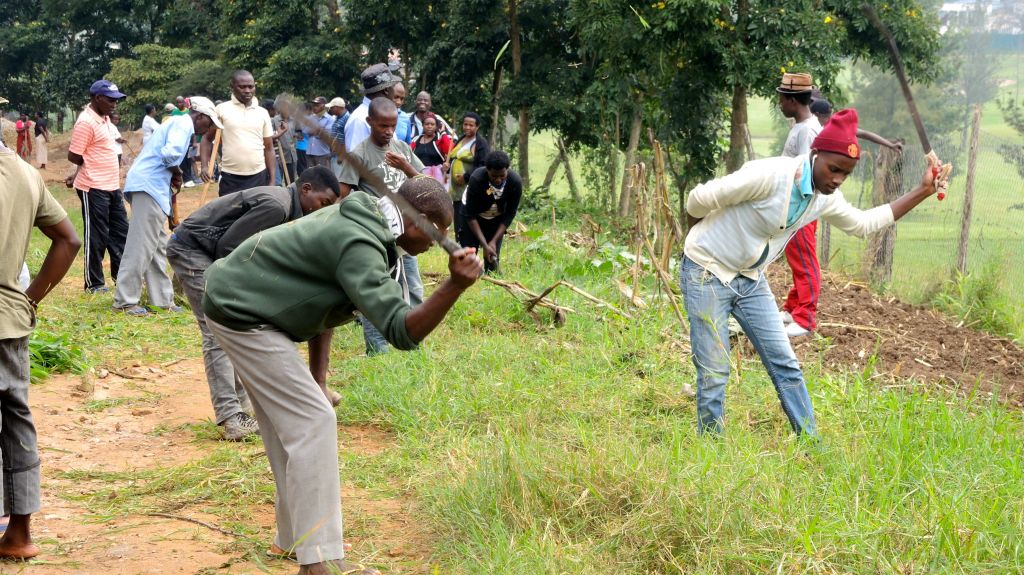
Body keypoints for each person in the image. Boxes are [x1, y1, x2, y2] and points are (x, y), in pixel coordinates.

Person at [202, 176, 482, 575]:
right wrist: (453, 286)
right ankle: (320, 563)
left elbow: (327, 300)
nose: (439, 245)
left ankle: (295, 541)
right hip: (242, 312)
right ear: (416, 221)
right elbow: (403, 332)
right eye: (439, 235)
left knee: (292, 426)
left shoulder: (370, 222)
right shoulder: (360, 244)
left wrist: (318, 377)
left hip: (243, 301)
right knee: (314, 421)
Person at [681, 108, 946, 438]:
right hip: (706, 272)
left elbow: (863, 224)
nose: (837, 179)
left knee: (785, 362)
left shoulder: (823, 198)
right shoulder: (770, 175)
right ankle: (710, 449)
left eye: (845, 174)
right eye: (833, 169)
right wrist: (699, 242)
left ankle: (810, 444)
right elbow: (698, 199)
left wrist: (923, 190)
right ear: (815, 154)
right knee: (715, 369)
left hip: (749, 280)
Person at [168, 166, 341, 440]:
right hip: (194, 251)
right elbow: (228, 249)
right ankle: (231, 417)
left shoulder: (290, 210)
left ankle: (243, 407)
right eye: (324, 203)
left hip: (210, 254)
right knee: (217, 328)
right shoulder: (276, 206)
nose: (322, 211)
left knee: (234, 326)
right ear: (306, 189)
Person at [0, 135, 81, 561]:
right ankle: (19, 534)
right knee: (16, 420)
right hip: (10, 322)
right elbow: (69, 239)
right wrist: (28, 299)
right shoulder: (26, 174)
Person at [112, 97, 222, 316]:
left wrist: (174, 175)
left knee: (157, 245)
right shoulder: (183, 124)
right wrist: (178, 173)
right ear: (199, 117)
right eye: (208, 124)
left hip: (150, 186)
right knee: (141, 245)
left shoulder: (177, 124)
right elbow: (170, 154)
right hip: (149, 186)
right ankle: (125, 301)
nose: (208, 130)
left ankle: (162, 299)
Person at [338, 97, 426, 356]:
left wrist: (405, 166)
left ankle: (414, 344)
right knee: (376, 292)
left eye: (392, 125)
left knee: (412, 288)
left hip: (406, 234)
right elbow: (345, 195)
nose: (388, 131)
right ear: (370, 123)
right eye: (382, 126)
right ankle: (378, 352)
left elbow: (423, 183)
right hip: (376, 235)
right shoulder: (360, 155)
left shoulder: (401, 148)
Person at [66, 79, 130, 293]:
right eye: (111, 100)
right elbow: (74, 154)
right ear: (97, 98)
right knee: (97, 235)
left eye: (116, 100)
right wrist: (81, 172)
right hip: (93, 187)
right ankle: (94, 283)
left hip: (112, 186)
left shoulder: (105, 120)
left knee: (121, 233)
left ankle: (121, 278)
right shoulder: (86, 122)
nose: (114, 104)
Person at [776, 73, 823, 338]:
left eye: (782, 98)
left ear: (793, 100)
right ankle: (793, 307)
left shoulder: (807, 130)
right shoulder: (802, 126)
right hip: (793, 206)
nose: (780, 103)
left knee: (805, 261)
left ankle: (805, 317)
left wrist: (801, 210)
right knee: (797, 258)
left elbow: (806, 173)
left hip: (801, 207)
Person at [202, 70, 275, 196]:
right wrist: (204, 166)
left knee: (256, 215)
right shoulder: (221, 110)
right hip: (230, 177)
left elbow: (269, 148)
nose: (247, 90)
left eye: (251, 86)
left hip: (258, 175)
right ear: (232, 87)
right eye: (242, 87)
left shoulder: (262, 112)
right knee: (230, 214)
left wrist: (273, 180)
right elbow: (207, 139)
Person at [461, 151, 522, 273]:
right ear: (487, 170)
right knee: (468, 259)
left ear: (507, 170)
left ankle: (491, 283)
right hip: (473, 219)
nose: (498, 179)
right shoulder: (476, 179)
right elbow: (470, 215)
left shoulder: (515, 182)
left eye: (502, 175)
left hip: (496, 220)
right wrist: (484, 244)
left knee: (492, 261)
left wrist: (492, 242)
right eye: (494, 176)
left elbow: (510, 213)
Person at [445, 112, 489, 240]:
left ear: (477, 127)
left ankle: (468, 240)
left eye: (471, 125)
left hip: (469, 189)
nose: (467, 128)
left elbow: (483, 165)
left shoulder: (480, 144)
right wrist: (447, 168)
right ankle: (460, 239)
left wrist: (466, 177)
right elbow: (453, 158)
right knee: (458, 217)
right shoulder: (461, 139)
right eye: (465, 124)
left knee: (467, 216)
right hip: (456, 190)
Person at [345, 63, 402, 151]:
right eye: (393, 86)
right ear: (386, 90)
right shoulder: (359, 120)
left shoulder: (383, 113)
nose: (394, 91)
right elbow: (354, 159)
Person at [811, 98, 904, 152]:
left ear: (817, 114)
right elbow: (866, 134)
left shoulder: (816, 129)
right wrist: (891, 145)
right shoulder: (841, 125)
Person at [411, 113, 453, 185]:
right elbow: (409, 156)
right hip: (418, 178)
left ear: (436, 126)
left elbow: (450, 150)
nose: (429, 126)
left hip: (437, 180)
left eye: (432, 124)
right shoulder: (415, 140)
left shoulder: (440, 139)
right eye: (427, 124)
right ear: (423, 125)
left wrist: (443, 132)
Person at [303, 96, 334, 168]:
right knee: (311, 176)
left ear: (323, 105)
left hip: (322, 153)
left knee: (323, 176)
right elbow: (304, 130)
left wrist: (314, 132)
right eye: (313, 105)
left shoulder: (330, 119)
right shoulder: (311, 117)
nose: (314, 107)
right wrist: (318, 131)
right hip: (310, 152)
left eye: (317, 105)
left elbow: (326, 135)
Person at [271, 99, 297, 183]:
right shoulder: (274, 120)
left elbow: (296, 134)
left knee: (291, 180)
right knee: (278, 182)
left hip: (292, 155)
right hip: (279, 156)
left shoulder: (293, 120)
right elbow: (271, 137)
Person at [327, 97, 348, 178]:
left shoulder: (347, 118)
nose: (330, 109)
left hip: (340, 156)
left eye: (332, 107)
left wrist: (342, 155)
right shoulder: (338, 117)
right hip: (335, 154)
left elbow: (347, 138)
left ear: (338, 107)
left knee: (339, 180)